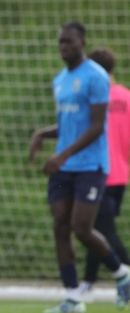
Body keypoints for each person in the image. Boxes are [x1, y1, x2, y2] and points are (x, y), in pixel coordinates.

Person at [29, 21, 130, 313]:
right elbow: (69, 126)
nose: (64, 47)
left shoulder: (96, 77)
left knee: (81, 228)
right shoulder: (60, 80)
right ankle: (73, 299)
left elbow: (98, 126)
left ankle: (122, 274)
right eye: (60, 42)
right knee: (60, 225)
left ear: (82, 43)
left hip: (91, 165)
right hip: (65, 166)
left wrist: (63, 156)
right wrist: (42, 134)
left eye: (69, 42)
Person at [78, 47, 130, 303]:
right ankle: (87, 284)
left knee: (103, 230)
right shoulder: (127, 98)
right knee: (94, 229)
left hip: (99, 172)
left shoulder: (94, 99)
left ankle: (126, 277)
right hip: (121, 174)